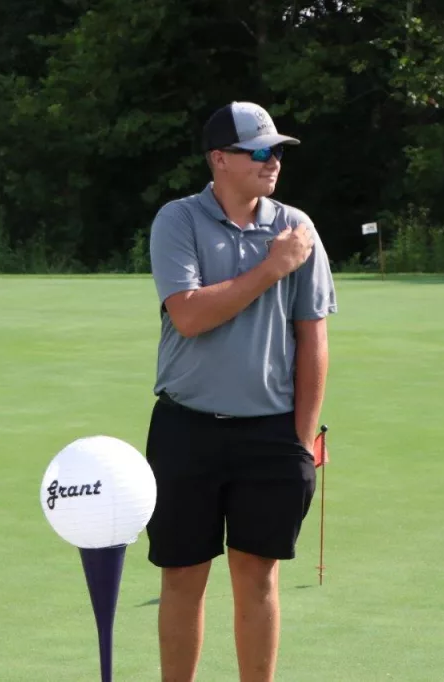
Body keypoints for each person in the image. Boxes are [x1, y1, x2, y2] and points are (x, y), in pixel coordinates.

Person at [144, 101, 338, 682]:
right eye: (258, 151)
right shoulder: (178, 220)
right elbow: (189, 316)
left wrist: (301, 440)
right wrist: (273, 267)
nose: (271, 161)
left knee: (258, 577)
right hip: (186, 428)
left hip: (270, 433)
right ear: (219, 159)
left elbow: (313, 339)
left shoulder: (298, 228)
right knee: (182, 575)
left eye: (277, 151)